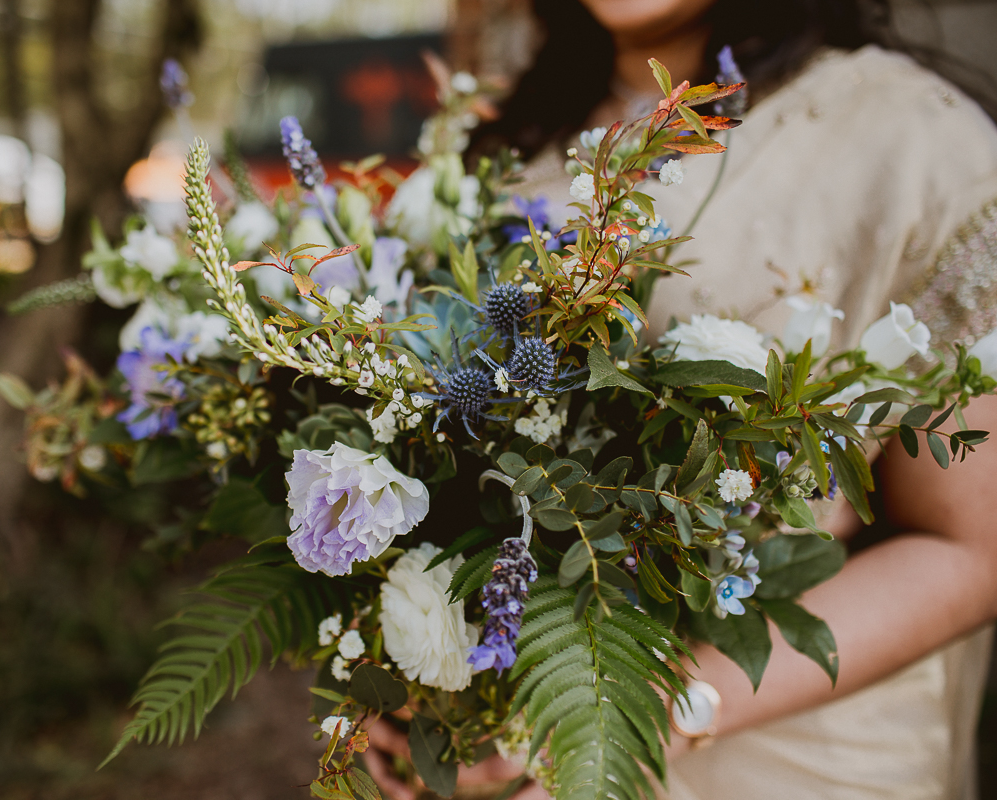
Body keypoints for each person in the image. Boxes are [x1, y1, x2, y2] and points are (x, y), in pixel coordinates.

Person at [363, 1, 997, 798]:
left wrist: (614, 725)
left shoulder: (911, 139)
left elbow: (974, 549)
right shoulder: (497, 149)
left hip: (788, 752)